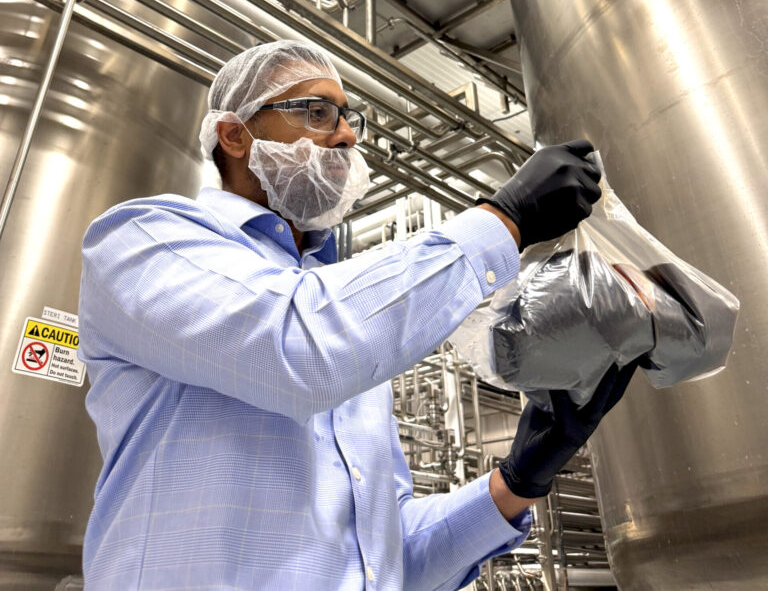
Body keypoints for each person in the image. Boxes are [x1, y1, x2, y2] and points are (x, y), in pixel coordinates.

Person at [78, 40, 637, 590]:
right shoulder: (142, 240)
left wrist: (518, 480)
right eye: (317, 112)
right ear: (234, 135)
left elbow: (384, 557)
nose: (345, 135)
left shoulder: (333, 308)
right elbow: (297, 349)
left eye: (348, 118)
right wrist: (503, 220)